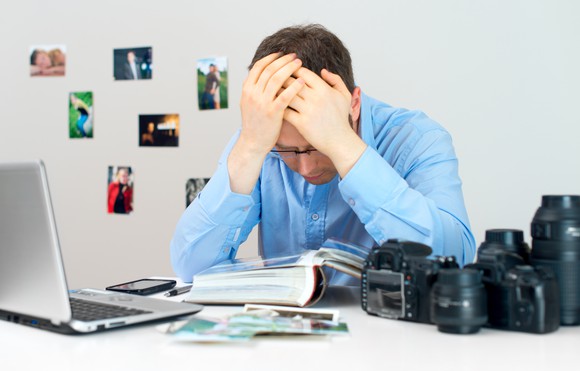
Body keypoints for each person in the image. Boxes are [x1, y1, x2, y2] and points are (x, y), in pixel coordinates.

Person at [171, 24, 476, 285]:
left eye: (317, 146)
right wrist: (251, 147)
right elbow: (191, 267)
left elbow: (453, 260)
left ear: (353, 104)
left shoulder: (416, 137)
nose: (304, 167)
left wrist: (343, 145)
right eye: (286, 151)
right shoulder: (260, 137)